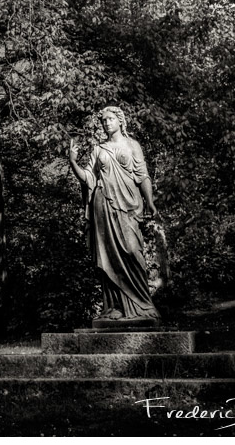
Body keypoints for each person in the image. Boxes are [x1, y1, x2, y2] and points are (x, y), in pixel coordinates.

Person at [69, 105, 161, 320]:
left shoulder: (132, 145)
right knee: (109, 256)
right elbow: (88, 178)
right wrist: (72, 161)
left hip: (129, 204)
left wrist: (150, 202)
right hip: (104, 204)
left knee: (132, 250)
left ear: (120, 121)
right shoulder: (98, 149)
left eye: (110, 119)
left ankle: (143, 306)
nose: (106, 123)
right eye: (103, 120)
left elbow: (142, 175)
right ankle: (114, 308)